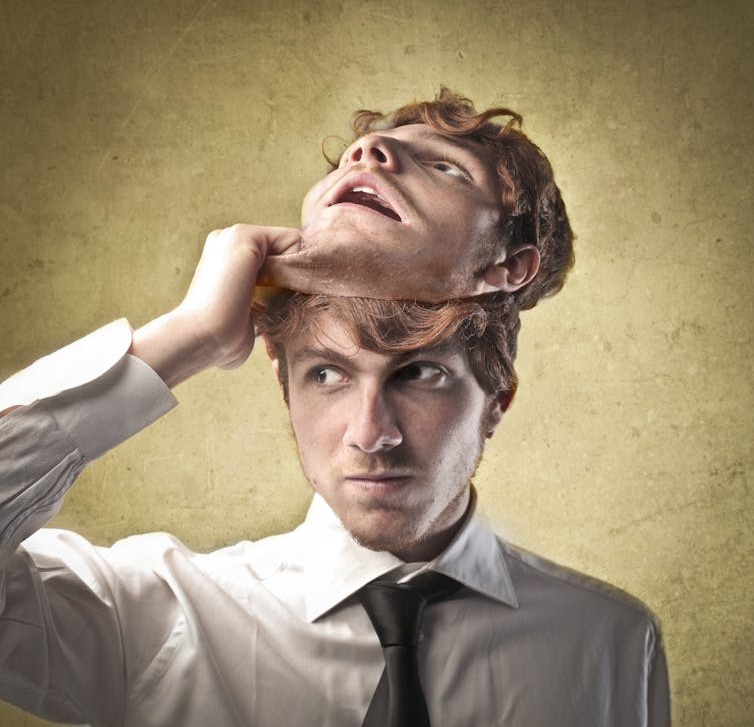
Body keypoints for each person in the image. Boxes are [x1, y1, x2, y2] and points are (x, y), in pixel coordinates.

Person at [0, 90, 669, 726]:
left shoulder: (609, 640)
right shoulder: (144, 614)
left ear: (497, 402)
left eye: (422, 375)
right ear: (283, 389)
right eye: (326, 375)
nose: (370, 434)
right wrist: (192, 335)